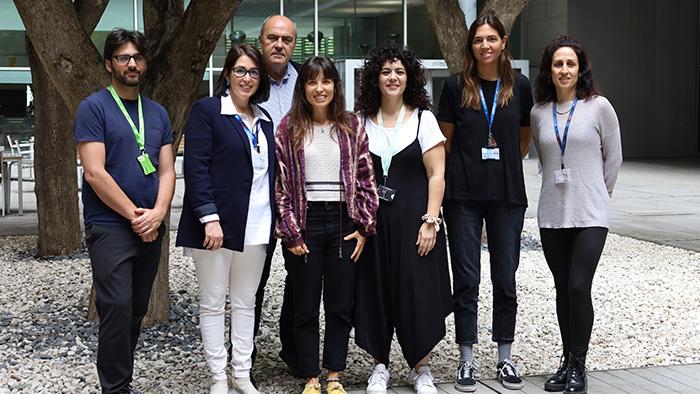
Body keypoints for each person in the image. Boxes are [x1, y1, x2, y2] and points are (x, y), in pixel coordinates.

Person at [74, 28, 175, 394]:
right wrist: (137, 215)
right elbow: (94, 172)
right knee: (115, 304)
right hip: (110, 225)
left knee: (134, 309)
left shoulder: (158, 113)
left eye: (137, 58)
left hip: (151, 225)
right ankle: (114, 389)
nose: (131, 64)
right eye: (123, 58)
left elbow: (166, 169)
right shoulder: (94, 107)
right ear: (109, 64)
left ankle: (121, 381)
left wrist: (159, 213)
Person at [437, 12, 533, 392]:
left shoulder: (520, 86)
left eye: (492, 38)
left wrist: (502, 162)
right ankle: (467, 359)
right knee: (467, 279)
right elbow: (444, 142)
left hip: (507, 197)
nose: (485, 46)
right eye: (479, 40)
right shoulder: (456, 85)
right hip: (462, 197)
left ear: (503, 42)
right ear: (471, 45)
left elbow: (523, 140)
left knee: (505, 278)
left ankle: (505, 358)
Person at [275, 56, 378, 394]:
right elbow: (282, 186)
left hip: (342, 223)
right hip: (304, 223)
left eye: (326, 82)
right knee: (304, 306)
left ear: (336, 85)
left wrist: (364, 225)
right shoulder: (288, 128)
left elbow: (366, 178)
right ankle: (310, 376)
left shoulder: (351, 126)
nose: (319, 89)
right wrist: (290, 232)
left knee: (339, 304)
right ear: (302, 88)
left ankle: (333, 374)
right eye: (311, 82)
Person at [354, 43, 452, 394]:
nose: (392, 77)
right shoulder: (361, 121)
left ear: (409, 77)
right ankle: (380, 365)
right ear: (375, 78)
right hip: (372, 224)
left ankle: (421, 368)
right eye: (385, 71)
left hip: (415, 222)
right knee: (374, 289)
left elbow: (437, 174)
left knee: (417, 291)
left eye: (399, 71)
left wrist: (431, 221)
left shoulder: (424, 120)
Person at [175, 44, 273, 394]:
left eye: (254, 72)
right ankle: (218, 376)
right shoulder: (208, 111)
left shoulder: (264, 119)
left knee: (246, 303)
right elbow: (196, 166)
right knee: (214, 302)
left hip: (258, 226)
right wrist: (208, 218)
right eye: (240, 71)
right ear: (228, 74)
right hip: (216, 226)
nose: (247, 78)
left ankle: (242, 374)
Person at [530, 35, 622, 394]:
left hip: (591, 213)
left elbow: (613, 157)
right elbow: (544, 156)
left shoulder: (599, 107)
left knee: (579, 286)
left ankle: (579, 366)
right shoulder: (539, 112)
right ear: (549, 71)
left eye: (570, 63)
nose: (564, 70)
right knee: (561, 288)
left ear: (580, 68)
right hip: (553, 214)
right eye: (558, 64)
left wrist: (600, 194)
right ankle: (566, 361)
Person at [253, 14, 301, 375]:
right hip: (257, 200)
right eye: (273, 38)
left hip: (301, 201)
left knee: (301, 279)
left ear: (293, 45)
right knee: (252, 281)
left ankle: (295, 351)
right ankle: (245, 356)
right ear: (261, 41)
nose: (279, 45)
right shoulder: (245, 81)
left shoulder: (308, 82)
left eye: (286, 39)